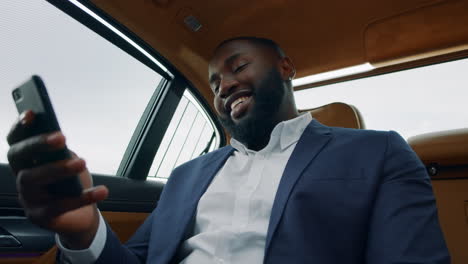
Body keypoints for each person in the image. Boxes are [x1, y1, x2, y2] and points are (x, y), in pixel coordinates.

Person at [7, 37, 450, 263]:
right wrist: (84, 232)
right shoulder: (186, 175)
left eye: (238, 67)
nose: (225, 86)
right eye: (214, 83)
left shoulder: (379, 152)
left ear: (285, 67)